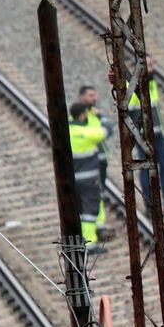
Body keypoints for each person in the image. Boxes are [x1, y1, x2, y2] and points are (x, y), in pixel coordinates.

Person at [126, 56, 164, 217]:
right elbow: (130, 112)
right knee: (147, 169)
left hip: (158, 134)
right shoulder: (133, 85)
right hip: (144, 137)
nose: (151, 69)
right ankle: (150, 206)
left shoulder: (152, 83)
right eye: (148, 65)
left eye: (152, 65)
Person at [67, 102, 106, 252]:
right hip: (89, 179)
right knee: (89, 211)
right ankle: (90, 244)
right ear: (83, 115)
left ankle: (77, 240)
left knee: (78, 210)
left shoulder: (66, 131)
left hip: (72, 179)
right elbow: (106, 131)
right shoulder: (87, 133)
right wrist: (100, 116)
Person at [76, 85, 114, 237]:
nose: (94, 98)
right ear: (82, 97)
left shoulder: (95, 114)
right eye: (90, 95)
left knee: (100, 193)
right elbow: (104, 131)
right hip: (89, 163)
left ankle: (99, 225)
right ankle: (94, 230)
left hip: (100, 159)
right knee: (93, 195)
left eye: (94, 95)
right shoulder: (80, 116)